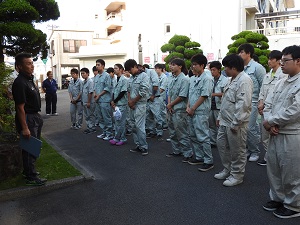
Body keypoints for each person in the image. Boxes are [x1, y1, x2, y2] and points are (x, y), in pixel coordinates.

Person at [262, 45, 300, 219]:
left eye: (286, 61)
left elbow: (295, 110)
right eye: (281, 60)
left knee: (291, 171)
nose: (281, 64)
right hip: (274, 131)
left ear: (298, 61)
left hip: (292, 133)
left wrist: (271, 121)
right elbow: (268, 104)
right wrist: (269, 122)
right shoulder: (280, 82)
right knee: (274, 167)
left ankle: (294, 204)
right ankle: (278, 198)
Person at [215, 54, 253, 187]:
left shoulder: (244, 80)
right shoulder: (231, 79)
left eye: (227, 67)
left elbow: (244, 104)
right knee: (222, 146)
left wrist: (236, 123)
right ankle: (227, 169)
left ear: (234, 67)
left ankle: (237, 175)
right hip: (225, 120)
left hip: (235, 123)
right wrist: (220, 117)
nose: (225, 70)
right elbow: (225, 100)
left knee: (237, 150)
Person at [12, 53, 46, 186]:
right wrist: (25, 127)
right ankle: (30, 176)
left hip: (35, 116)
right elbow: (20, 108)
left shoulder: (29, 79)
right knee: (29, 148)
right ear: (19, 66)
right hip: (28, 118)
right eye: (28, 63)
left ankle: (30, 171)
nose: (32, 66)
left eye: (32, 63)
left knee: (34, 146)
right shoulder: (20, 82)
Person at [257, 50, 287, 166]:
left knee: (275, 134)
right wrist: (260, 103)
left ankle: (273, 158)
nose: (269, 61)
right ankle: (268, 156)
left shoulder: (283, 75)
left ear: (278, 61)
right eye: (268, 59)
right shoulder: (268, 75)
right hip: (265, 108)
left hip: (276, 110)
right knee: (264, 135)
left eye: (271, 59)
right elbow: (262, 91)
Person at [238, 43, 266, 162]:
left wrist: (261, 102)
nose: (239, 55)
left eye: (241, 52)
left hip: (254, 102)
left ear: (249, 54)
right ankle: (248, 149)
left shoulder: (257, 67)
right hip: (243, 102)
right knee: (243, 128)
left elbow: (264, 86)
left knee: (250, 128)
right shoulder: (240, 68)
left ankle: (255, 151)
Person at [187, 54, 214, 171]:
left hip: (201, 111)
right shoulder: (192, 79)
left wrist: (192, 108)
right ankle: (199, 156)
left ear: (202, 65)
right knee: (193, 135)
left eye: (195, 65)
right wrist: (188, 107)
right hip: (191, 111)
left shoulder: (207, 78)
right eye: (192, 65)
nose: (193, 67)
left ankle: (208, 160)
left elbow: (204, 95)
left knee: (203, 136)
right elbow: (190, 94)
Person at [166, 58, 192, 161]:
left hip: (179, 110)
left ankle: (187, 153)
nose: (171, 66)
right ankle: (176, 150)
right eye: (170, 65)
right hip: (171, 108)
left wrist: (171, 104)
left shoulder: (185, 79)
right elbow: (169, 93)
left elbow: (182, 96)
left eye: (173, 65)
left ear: (180, 66)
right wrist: (169, 104)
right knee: (172, 132)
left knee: (181, 132)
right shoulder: (171, 78)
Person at [126, 59, 150, 156]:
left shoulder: (143, 76)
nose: (129, 72)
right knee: (133, 126)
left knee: (140, 126)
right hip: (132, 105)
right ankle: (138, 145)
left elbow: (143, 92)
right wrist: (129, 101)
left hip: (140, 104)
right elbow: (128, 90)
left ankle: (144, 147)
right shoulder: (131, 78)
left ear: (135, 67)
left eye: (130, 69)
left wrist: (133, 101)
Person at [208, 61, 228, 146]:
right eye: (211, 70)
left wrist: (214, 94)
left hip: (219, 106)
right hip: (210, 105)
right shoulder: (210, 80)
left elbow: (226, 94)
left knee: (220, 125)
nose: (212, 72)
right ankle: (213, 142)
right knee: (211, 125)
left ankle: (222, 142)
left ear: (219, 70)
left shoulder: (225, 80)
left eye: (214, 70)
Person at [109, 64, 128, 146]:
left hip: (122, 103)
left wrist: (115, 101)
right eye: (114, 68)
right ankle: (116, 137)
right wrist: (112, 101)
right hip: (116, 104)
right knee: (116, 121)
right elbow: (113, 91)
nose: (114, 70)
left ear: (121, 69)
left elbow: (123, 92)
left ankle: (123, 138)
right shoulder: (114, 79)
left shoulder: (124, 80)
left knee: (121, 122)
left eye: (116, 68)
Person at [94, 59, 113, 140]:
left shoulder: (107, 76)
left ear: (103, 66)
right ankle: (104, 132)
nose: (97, 66)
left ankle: (109, 134)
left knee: (106, 117)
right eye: (96, 65)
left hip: (105, 100)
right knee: (100, 117)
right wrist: (95, 95)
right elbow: (94, 87)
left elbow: (107, 88)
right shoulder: (97, 76)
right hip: (98, 100)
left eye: (98, 65)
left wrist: (99, 95)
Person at [144, 64, 163, 140]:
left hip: (154, 98)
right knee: (149, 117)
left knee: (157, 116)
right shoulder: (141, 74)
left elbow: (156, 85)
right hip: (147, 98)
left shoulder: (151, 72)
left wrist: (153, 95)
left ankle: (159, 132)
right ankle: (152, 131)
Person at [81, 67, 96, 134]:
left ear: (87, 73)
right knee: (86, 115)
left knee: (90, 115)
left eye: (83, 73)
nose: (82, 75)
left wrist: (89, 102)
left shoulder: (90, 82)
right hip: (84, 101)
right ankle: (89, 127)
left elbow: (90, 92)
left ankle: (92, 128)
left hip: (89, 102)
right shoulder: (84, 82)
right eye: (81, 74)